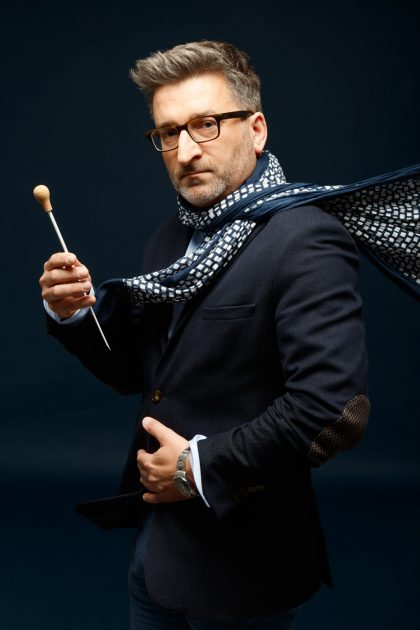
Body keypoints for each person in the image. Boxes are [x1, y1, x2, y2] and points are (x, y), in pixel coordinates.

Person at [40, 41, 371, 629]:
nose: (187, 150)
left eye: (206, 125)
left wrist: (195, 466)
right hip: (158, 550)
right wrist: (73, 314)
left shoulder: (305, 239)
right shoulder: (172, 238)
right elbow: (142, 377)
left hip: (247, 565)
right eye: (169, 132)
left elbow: (331, 409)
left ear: (257, 129)